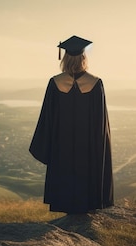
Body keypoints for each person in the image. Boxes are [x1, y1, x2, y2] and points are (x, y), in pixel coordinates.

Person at [29, 35, 114, 214]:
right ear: (84, 58)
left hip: (62, 147)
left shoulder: (55, 83)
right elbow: (101, 124)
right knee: (86, 182)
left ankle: (67, 207)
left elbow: (47, 119)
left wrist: (47, 146)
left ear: (65, 58)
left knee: (65, 177)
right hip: (88, 149)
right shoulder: (96, 84)